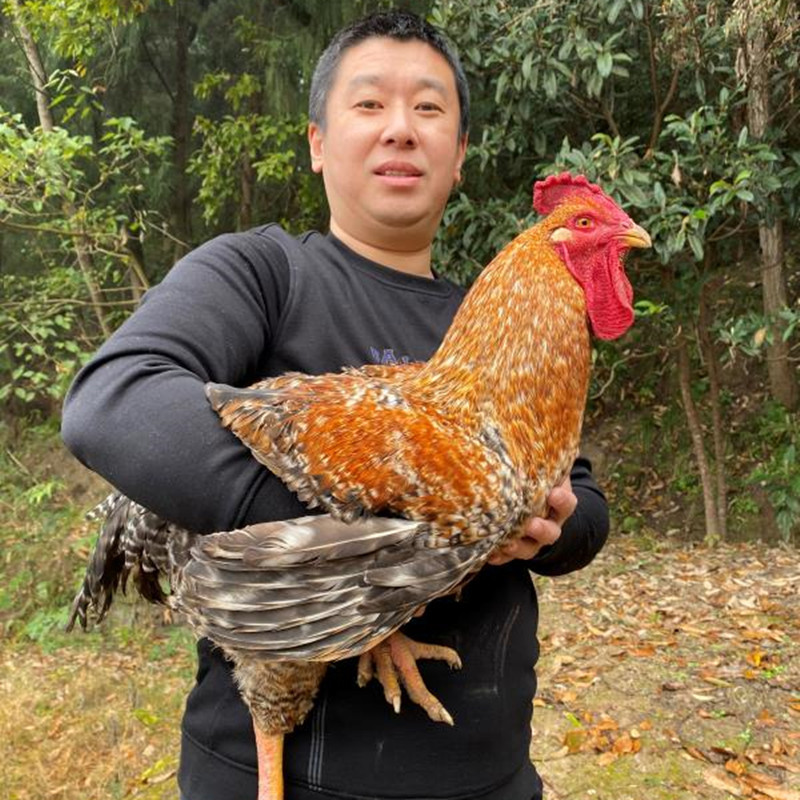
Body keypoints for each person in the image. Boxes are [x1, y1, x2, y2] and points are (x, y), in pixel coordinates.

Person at [61, 9, 609, 800]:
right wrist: (344, 536)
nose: (399, 129)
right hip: (281, 772)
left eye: (428, 109)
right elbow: (111, 400)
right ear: (318, 143)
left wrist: (545, 525)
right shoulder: (262, 271)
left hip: (492, 773)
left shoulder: (490, 328)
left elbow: (581, 498)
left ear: (459, 157)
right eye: (368, 104)